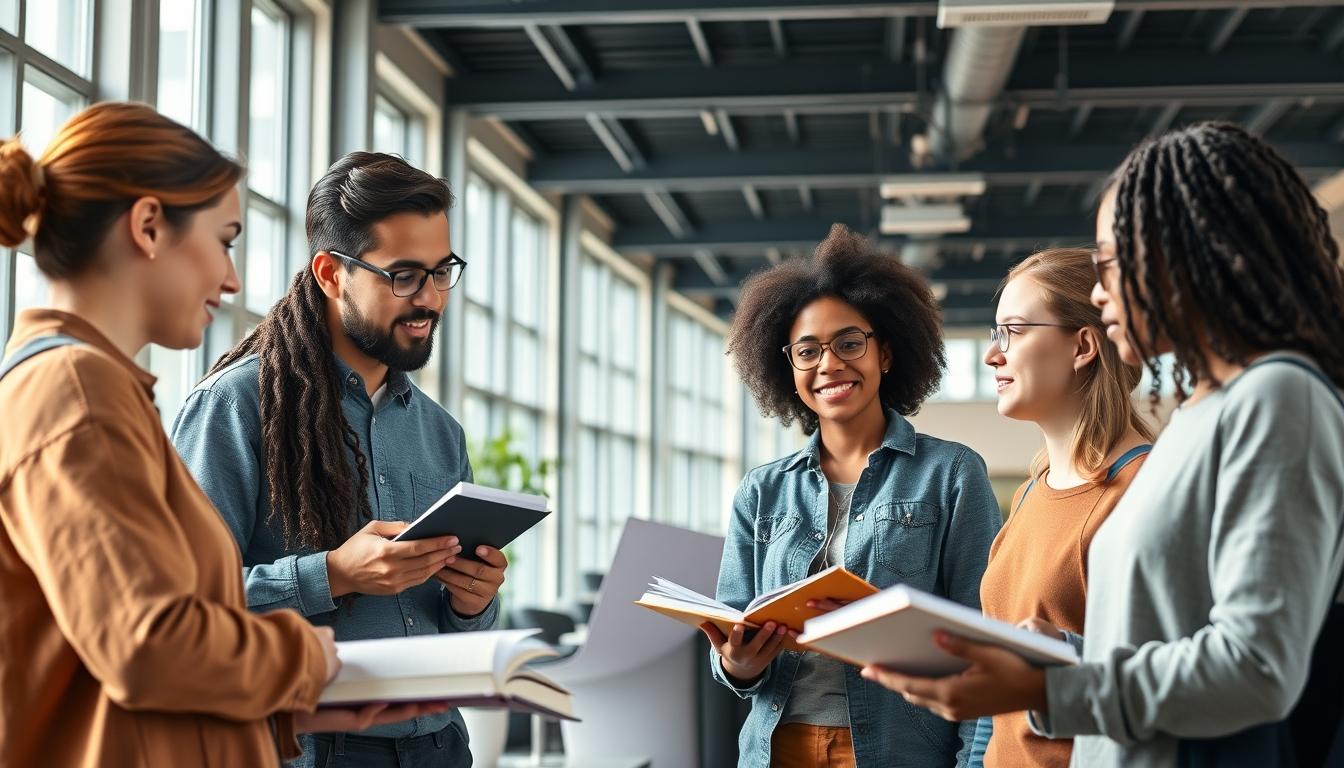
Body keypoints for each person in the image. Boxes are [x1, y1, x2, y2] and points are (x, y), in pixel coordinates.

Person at [862, 122, 1344, 768]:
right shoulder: (1197, 415)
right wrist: (1057, 655)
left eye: (1112, 263)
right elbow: (1160, 639)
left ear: (1184, 256)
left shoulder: (1279, 397)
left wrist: (1048, 686)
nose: (1098, 290)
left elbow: (1256, 668)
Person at [0, 102, 442, 768]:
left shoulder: (94, 390)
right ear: (149, 226)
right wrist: (306, 661)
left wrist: (301, 698)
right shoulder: (78, 395)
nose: (232, 279)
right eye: (226, 240)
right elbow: (148, 644)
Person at [171, 152, 504, 767]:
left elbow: (456, 629)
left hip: (441, 747)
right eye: (404, 276)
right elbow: (180, 606)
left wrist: (473, 602)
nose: (430, 299)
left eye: (441, 272)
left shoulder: (441, 434)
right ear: (331, 274)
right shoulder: (236, 406)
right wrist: (333, 574)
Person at [707, 224, 1002, 767]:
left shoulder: (952, 474)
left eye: (849, 344)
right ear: (788, 368)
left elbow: (983, 639)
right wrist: (737, 666)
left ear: (885, 353)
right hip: (776, 748)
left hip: (901, 750)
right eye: (807, 351)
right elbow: (728, 632)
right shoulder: (762, 490)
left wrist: (974, 762)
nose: (829, 364)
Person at [966, 248, 1154, 768]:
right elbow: (999, 708)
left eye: (1014, 331)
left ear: (1083, 346)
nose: (992, 355)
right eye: (995, 333)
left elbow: (1164, 678)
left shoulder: (1142, 492)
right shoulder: (1032, 492)